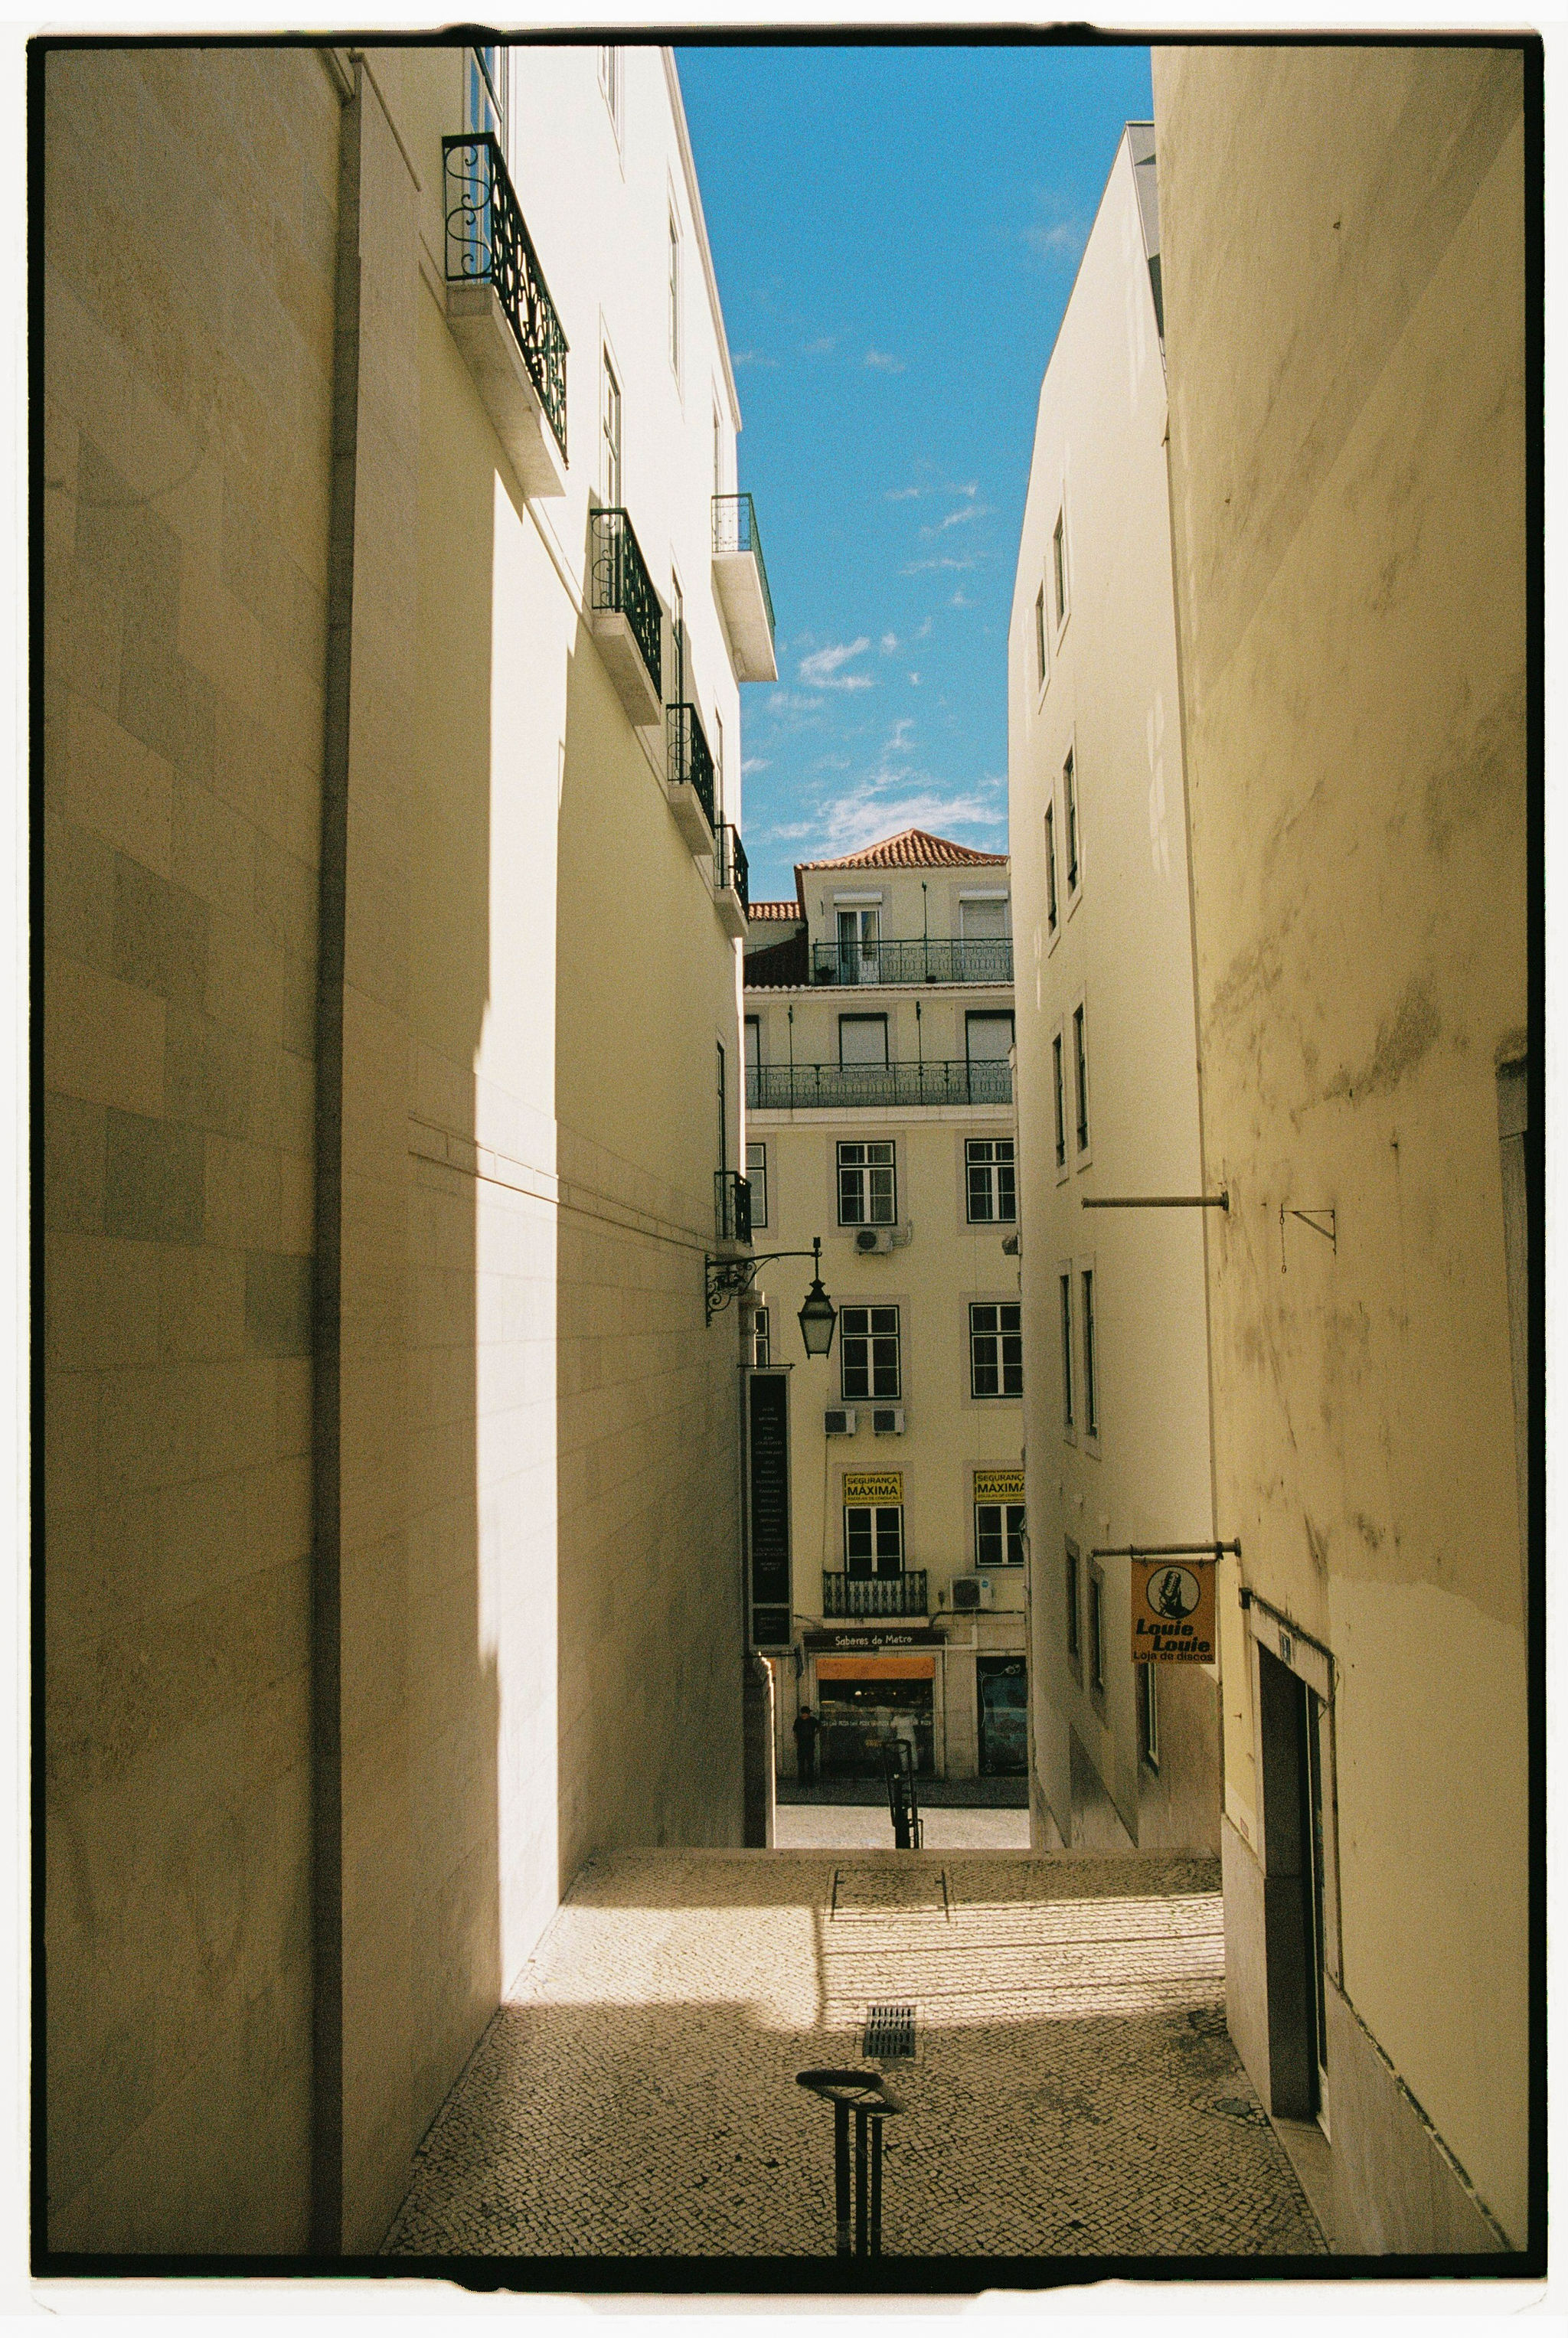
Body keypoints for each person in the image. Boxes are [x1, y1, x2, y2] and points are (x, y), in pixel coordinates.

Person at [793, 1703, 820, 1786]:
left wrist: (796, 1740)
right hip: (809, 1744)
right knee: (809, 1763)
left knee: (802, 1763)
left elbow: (795, 1731)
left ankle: (802, 1781)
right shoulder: (812, 1720)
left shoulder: (798, 1720)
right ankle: (810, 1781)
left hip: (802, 1744)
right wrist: (814, 1734)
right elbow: (819, 1727)